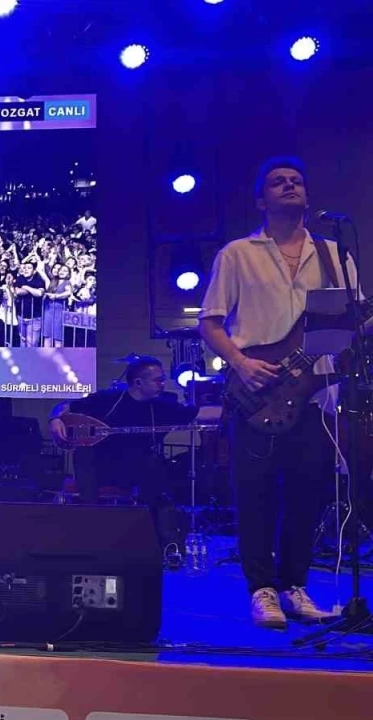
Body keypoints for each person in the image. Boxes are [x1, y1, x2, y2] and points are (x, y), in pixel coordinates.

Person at [198, 157, 354, 628]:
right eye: (278, 182)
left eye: (297, 181)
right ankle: (261, 589)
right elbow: (210, 322)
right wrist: (241, 363)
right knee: (255, 494)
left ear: (308, 196)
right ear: (261, 200)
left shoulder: (333, 253)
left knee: (308, 493)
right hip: (257, 390)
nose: (289, 186)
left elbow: (353, 318)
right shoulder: (237, 254)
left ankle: (293, 586)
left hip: (315, 393)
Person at [49, 357, 200, 506]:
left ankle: (153, 516)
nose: (162, 384)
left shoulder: (163, 406)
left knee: (154, 466)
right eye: (157, 381)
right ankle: (90, 511)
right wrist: (55, 420)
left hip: (137, 468)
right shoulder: (107, 399)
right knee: (85, 454)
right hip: (101, 465)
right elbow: (64, 406)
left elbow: (197, 413)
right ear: (138, 383)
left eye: (163, 380)